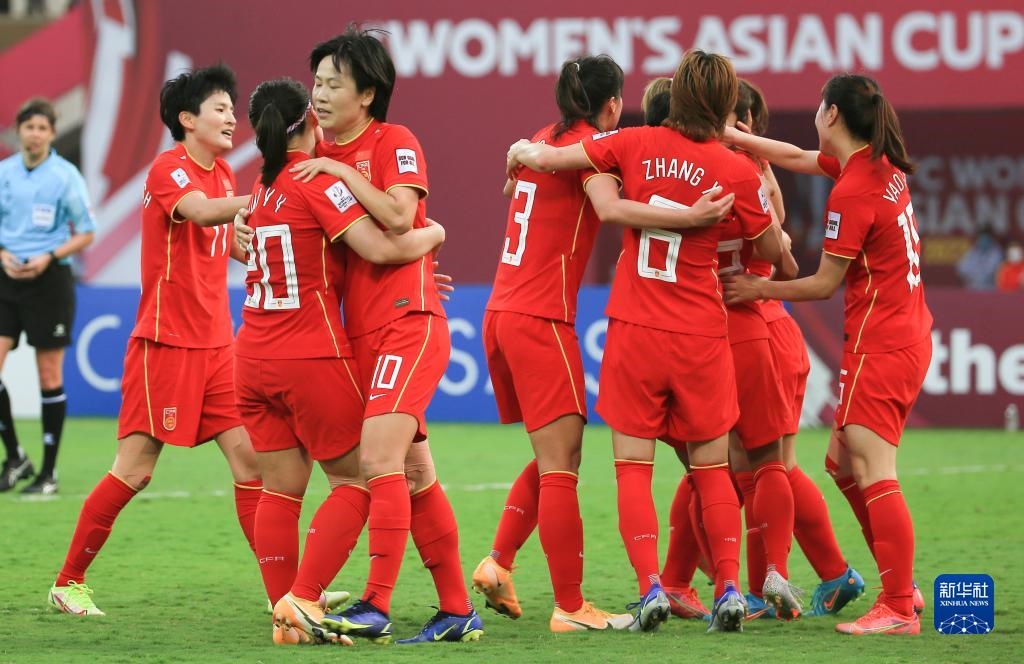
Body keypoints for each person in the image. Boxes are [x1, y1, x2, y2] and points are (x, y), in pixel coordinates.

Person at [508, 50, 784, 633]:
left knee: (633, 468)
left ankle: (649, 587)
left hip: (635, 327)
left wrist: (522, 152)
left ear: (674, 94)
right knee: (712, 468)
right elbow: (769, 250)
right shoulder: (736, 170)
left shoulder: (631, 142)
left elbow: (554, 156)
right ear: (726, 104)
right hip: (701, 332)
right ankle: (729, 587)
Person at [235, 78, 448, 645]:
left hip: (250, 356)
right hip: (309, 352)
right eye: (320, 89)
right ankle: (304, 599)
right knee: (359, 479)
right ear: (308, 119)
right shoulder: (315, 180)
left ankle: (283, 608)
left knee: (280, 489)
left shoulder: (259, 188)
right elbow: (382, 246)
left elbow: (249, 243)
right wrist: (435, 234)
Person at [288, 28, 482, 644]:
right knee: (415, 476)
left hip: (408, 323)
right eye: (316, 83)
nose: (319, 95)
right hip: (362, 334)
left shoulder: (393, 141)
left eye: (333, 84)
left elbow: (400, 216)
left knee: (376, 462)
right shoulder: (315, 151)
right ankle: (457, 611)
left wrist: (336, 171)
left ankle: (375, 602)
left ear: (367, 93)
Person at [48, 64, 263, 616]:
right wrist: (263, 199)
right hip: (167, 343)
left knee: (252, 465)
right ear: (188, 119)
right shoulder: (169, 169)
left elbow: (226, 240)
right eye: (220, 109)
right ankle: (68, 582)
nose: (231, 118)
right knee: (136, 471)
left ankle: (286, 593)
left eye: (232, 109)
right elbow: (201, 213)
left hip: (218, 346)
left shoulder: (223, 175)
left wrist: (262, 246)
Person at [723, 73, 933, 635]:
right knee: (841, 465)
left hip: (883, 343)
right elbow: (794, 156)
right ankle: (900, 582)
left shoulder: (854, 189)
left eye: (820, 105)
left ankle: (897, 605)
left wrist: (759, 287)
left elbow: (821, 283)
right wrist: (737, 138)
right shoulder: (872, 165)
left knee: (872, 467)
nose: (816, 114)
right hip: (902, 332)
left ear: (832, 114)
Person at [730, 80, 865, 620]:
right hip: (766, 327)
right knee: (768, 468)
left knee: (754, 470)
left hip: (757, 327)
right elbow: (782, 246)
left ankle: (766, 584)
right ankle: (822, 576)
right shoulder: (756, 168)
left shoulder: (738, 171)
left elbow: (785, 259)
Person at [0, 98, 95, 495]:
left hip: (50, 279)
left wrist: (49, 256)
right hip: (6, 278)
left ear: (52, 134)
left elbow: (86, 232)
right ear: (19, 132)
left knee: (49, 375)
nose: (35, 134)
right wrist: (2, 253)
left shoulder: (65, 176)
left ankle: (48, 474)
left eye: (42, 128)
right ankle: (16, 456)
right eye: (29, 127)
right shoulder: (5, 172)